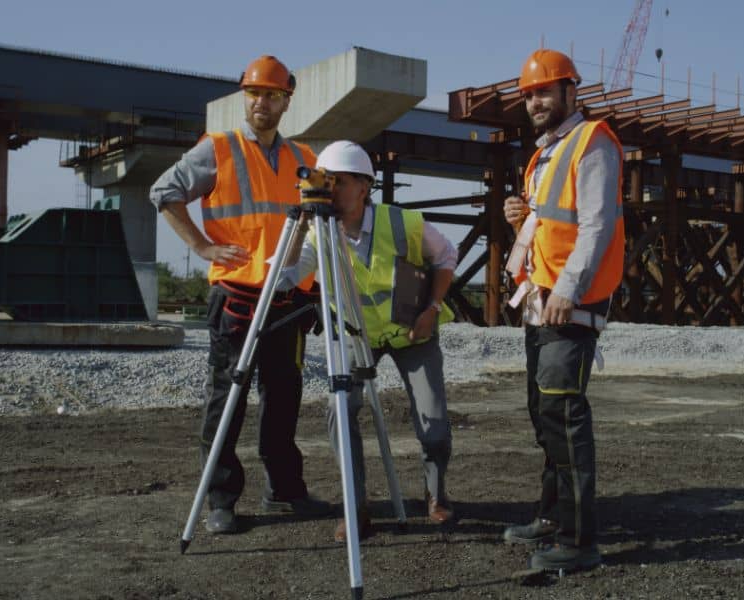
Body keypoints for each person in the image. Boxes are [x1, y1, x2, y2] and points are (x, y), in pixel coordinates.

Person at [149, 55, 330, 535]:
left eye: (271, 95)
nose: (261, 103)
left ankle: (285, 491)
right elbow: (164, 192)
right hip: (237, 294)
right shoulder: (219, 149)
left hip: (288, 298)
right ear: (244, 98)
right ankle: (222, 499)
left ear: (286, 101)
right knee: (227, 398)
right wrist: (202, 246)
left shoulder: (306, 160)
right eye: (254, 94)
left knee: (285, 396)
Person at [280, 140, 457, 542]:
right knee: (341, 412)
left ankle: (436, 493)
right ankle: (356, 510)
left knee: (435, 427)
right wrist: (304, 222)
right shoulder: (317, 233)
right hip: (352, 331)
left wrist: (431, 309)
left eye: (339, 182)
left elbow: (447, 256)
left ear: (364, 186)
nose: (331, 190)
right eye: (327, 182)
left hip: (412, 331)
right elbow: (286, 275)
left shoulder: (402, 222)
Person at [500, 49, 625, 572]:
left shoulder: (592, 143)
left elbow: (595, 226)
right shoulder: (547, 152)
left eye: (544, 91)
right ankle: (552, 517)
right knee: (543, 413)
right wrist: (520, 223)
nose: (535, 101)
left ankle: (578, 542)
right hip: (541, 302)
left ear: (572, 92)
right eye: (529, 94)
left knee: (565, 416)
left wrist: (567, 290)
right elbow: (555, 225)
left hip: (568, 305)